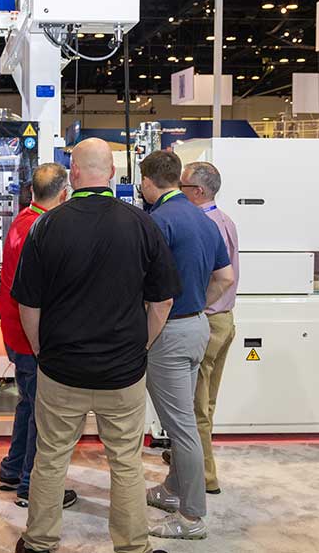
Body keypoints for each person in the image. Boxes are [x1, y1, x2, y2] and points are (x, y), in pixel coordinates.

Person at [11, 138, 180, 553]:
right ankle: (133, 546)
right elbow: (162, 301)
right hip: (122, 372)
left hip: (61, 370)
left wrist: (41, 351)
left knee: (51, 457)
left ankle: (39, 542)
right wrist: (141, 345)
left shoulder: (45, 226)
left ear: (73, 175)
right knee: (125, 463)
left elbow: (27, 303)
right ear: (112, 174)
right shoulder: (142, 223)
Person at [139, 150, 235, 541]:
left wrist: (145, 340)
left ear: (148, 182)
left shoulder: (158, 222)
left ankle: (191, 517)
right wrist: (196, 303)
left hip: (169, 333)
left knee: (181, 428)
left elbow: (158, 298)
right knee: (186, 419)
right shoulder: (206, 219)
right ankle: (173, 490)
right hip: (198, 326)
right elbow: (226, 278)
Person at [0, 163, 77, 510]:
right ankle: (32, 485)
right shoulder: (44, 228)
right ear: (64, 194)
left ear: (31, 191)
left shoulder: (22, 220)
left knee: (27, 404)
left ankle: (12, 471)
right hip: (33, 336)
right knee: (42, 412)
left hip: (15, 332)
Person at [180, 161, 240, 496]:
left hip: (209, 321)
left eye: (183, 187)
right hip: (225, 320)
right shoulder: (225, 220)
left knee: (196, 407)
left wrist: (196, 306)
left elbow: (220, 278)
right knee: (207, 403)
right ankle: (191, 460)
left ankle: (204, 476)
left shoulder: (203, 226)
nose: (179, 192)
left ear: (198, 191)